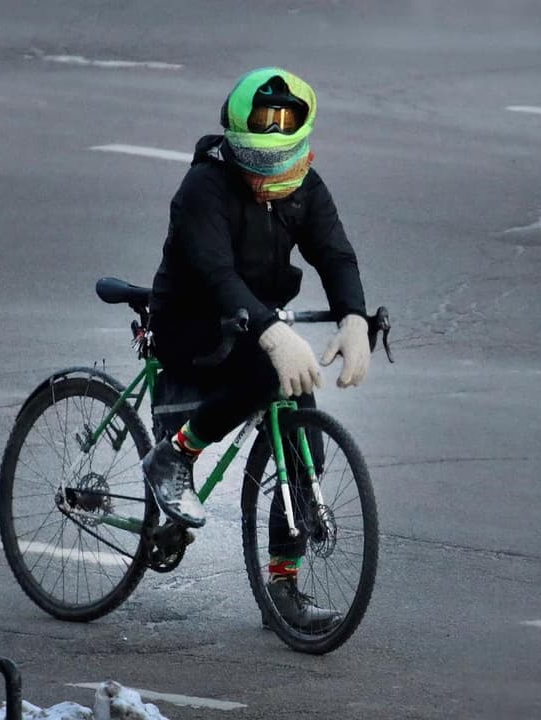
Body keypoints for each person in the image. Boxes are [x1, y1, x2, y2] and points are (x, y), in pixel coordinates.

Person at [142, 67, 371, 630]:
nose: (271, 176)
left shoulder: (303, 184)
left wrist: (355, 318)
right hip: (192, 325)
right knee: (273, 372)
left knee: (303, 440)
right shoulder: (203, 188)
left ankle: (283, 588)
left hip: (253, 320)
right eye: (259, 161)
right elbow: (217, 275)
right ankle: (176, 453)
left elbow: (335, 254)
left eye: (281, 160)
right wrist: (273, 333)